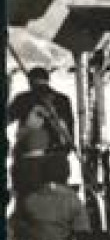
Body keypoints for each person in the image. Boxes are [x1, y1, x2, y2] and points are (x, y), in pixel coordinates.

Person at [8, 67, 76, 198]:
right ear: (47, 80)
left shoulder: (22, 99)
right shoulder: (63, 100)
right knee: (56, 204)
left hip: (28, 163)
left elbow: (6, 119)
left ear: (30, 81)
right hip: (57, 159)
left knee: (27, 204)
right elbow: (70, 134)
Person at [9, 161, 92, 240]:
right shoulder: (72, 198)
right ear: (67, 174)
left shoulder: (29, 198)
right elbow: (83, 234)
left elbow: (15, 229)